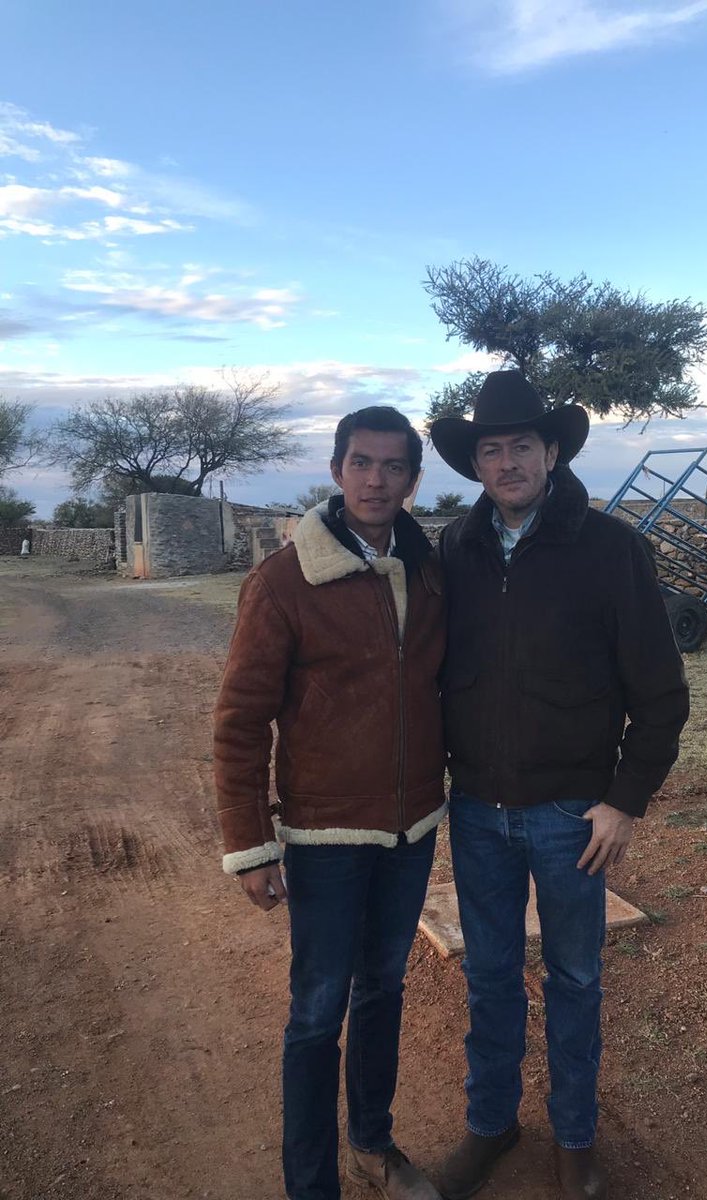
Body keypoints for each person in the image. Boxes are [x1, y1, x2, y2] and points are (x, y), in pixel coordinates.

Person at [430, 371, 690, 1200]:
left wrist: (624, 800)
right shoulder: (454, 551)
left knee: (576, 981)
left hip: (572, 816)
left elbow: (660, 692)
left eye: (520, 445)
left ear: (551, 451)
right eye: (490, 449)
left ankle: (575, 1138)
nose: (506, 461)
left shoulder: (611, 549)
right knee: (491, 977)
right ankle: (491, 1125)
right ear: (476, 463)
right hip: (476, 811)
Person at [214, 406, 446, 1200]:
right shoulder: (283, 581)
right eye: (361, 463)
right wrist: (251, 843)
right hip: (323, 835)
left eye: (393, 466)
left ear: (413, 480)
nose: (376, 479)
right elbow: (241, 720)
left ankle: (373, 1147)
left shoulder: (428, 569)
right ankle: (310, 1184)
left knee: (385, 988)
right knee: (317, 1012)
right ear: (337, 470)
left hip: (411, 827)